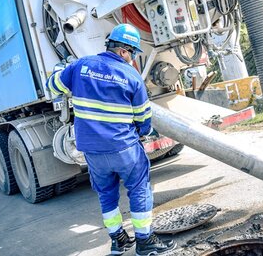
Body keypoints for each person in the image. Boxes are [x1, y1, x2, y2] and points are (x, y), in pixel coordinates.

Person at [46, 24, 176, 255]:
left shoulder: (81, 65)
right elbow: (143, 118)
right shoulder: (131, 76)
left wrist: (61, 70)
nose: (133, 59)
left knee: (106, 194)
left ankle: (118, 239)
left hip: (92, 151)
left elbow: (53, 86)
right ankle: (145, 242)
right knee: (138, 189)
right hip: (123, 147)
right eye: (133, 53)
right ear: (124, 51)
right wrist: (141, 133)